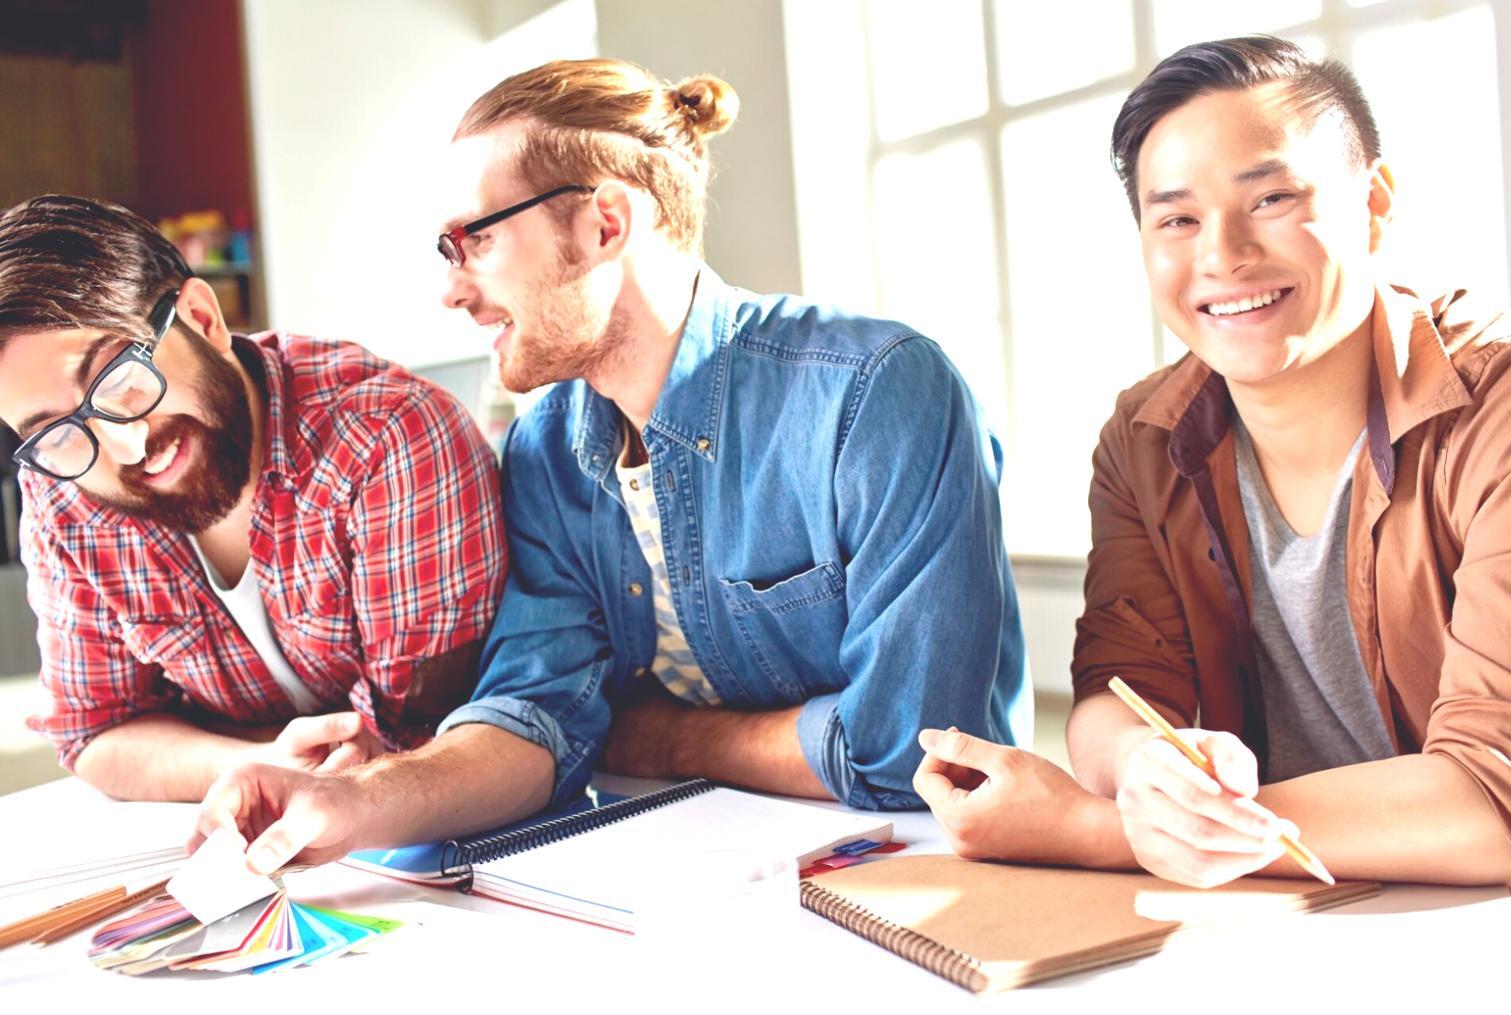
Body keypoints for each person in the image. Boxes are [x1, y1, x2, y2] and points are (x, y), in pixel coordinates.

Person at [910, 36, 1511, 1015]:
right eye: (1176, 218)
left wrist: (1101, 828)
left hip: (1503, 959)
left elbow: (1503, 799)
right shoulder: (1144, 435)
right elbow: (1114, 690)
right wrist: (1142, 766)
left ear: (1374, 202)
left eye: (1270, 199)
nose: (1222, 256)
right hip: (1271, 940)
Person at [192, 60, 1026, 866]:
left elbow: (913, 752)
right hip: (684, 865)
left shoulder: (874, 393)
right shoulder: (546, 449)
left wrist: (660, 738)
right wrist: (354, 803)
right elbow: (536, 714)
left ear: (605, 225)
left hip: (915, 876)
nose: (453, 289)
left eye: (475, 239)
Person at [0, 195, 506, 801]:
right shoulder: (62, 490)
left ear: (202, 318)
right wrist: (260, 763)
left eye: (120, 380)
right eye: (57, 431)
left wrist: (197, 744)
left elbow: (416, 734)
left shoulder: (386, 436)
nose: (125, 446)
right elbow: (95, 733)